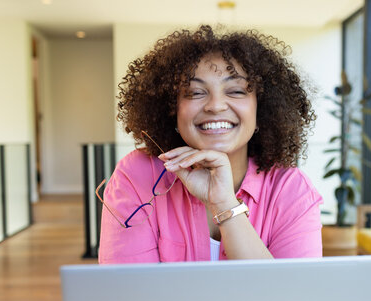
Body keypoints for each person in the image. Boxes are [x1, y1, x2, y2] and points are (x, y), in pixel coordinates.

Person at [98, 25, 323, 263]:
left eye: (236, 91)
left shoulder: (291, 191)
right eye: (195, 93)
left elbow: (291, 297)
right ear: (172, 110)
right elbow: (128, 294)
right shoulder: (138, 175)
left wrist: (224, 203)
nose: (215, 106)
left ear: (262, 110)